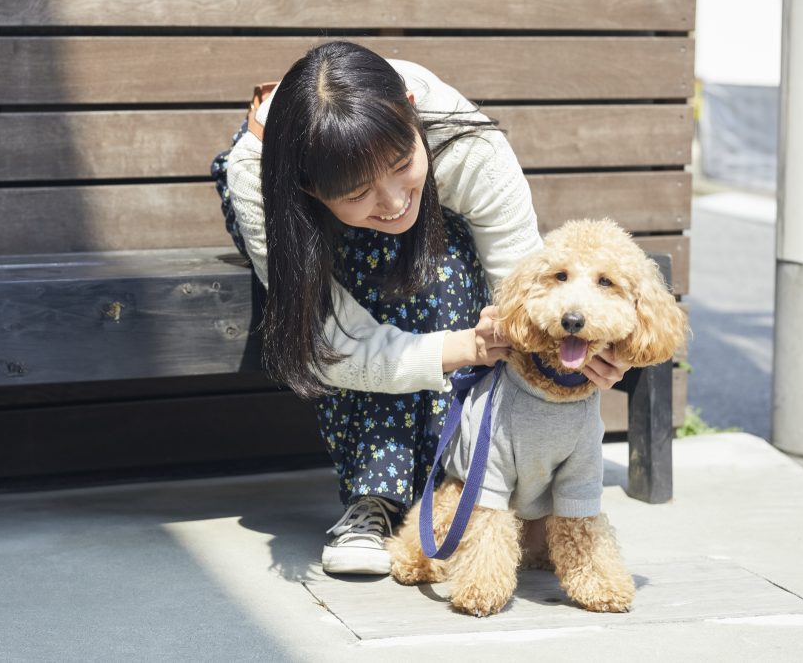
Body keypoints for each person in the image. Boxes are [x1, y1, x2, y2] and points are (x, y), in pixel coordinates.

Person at [210, 41, 628, 575]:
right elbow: (331, 341)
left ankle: (449, 483)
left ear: (411, 109)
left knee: (437, 257)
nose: (391, 200)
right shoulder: (262, 182)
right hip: (313, 234)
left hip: (433, 239)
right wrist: (465, 347)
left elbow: (521, 284)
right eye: (360, 191)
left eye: (403, 164)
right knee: (382, 255)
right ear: (310, 187)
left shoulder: (466, 142)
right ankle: (377, 497)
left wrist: (572, 353)